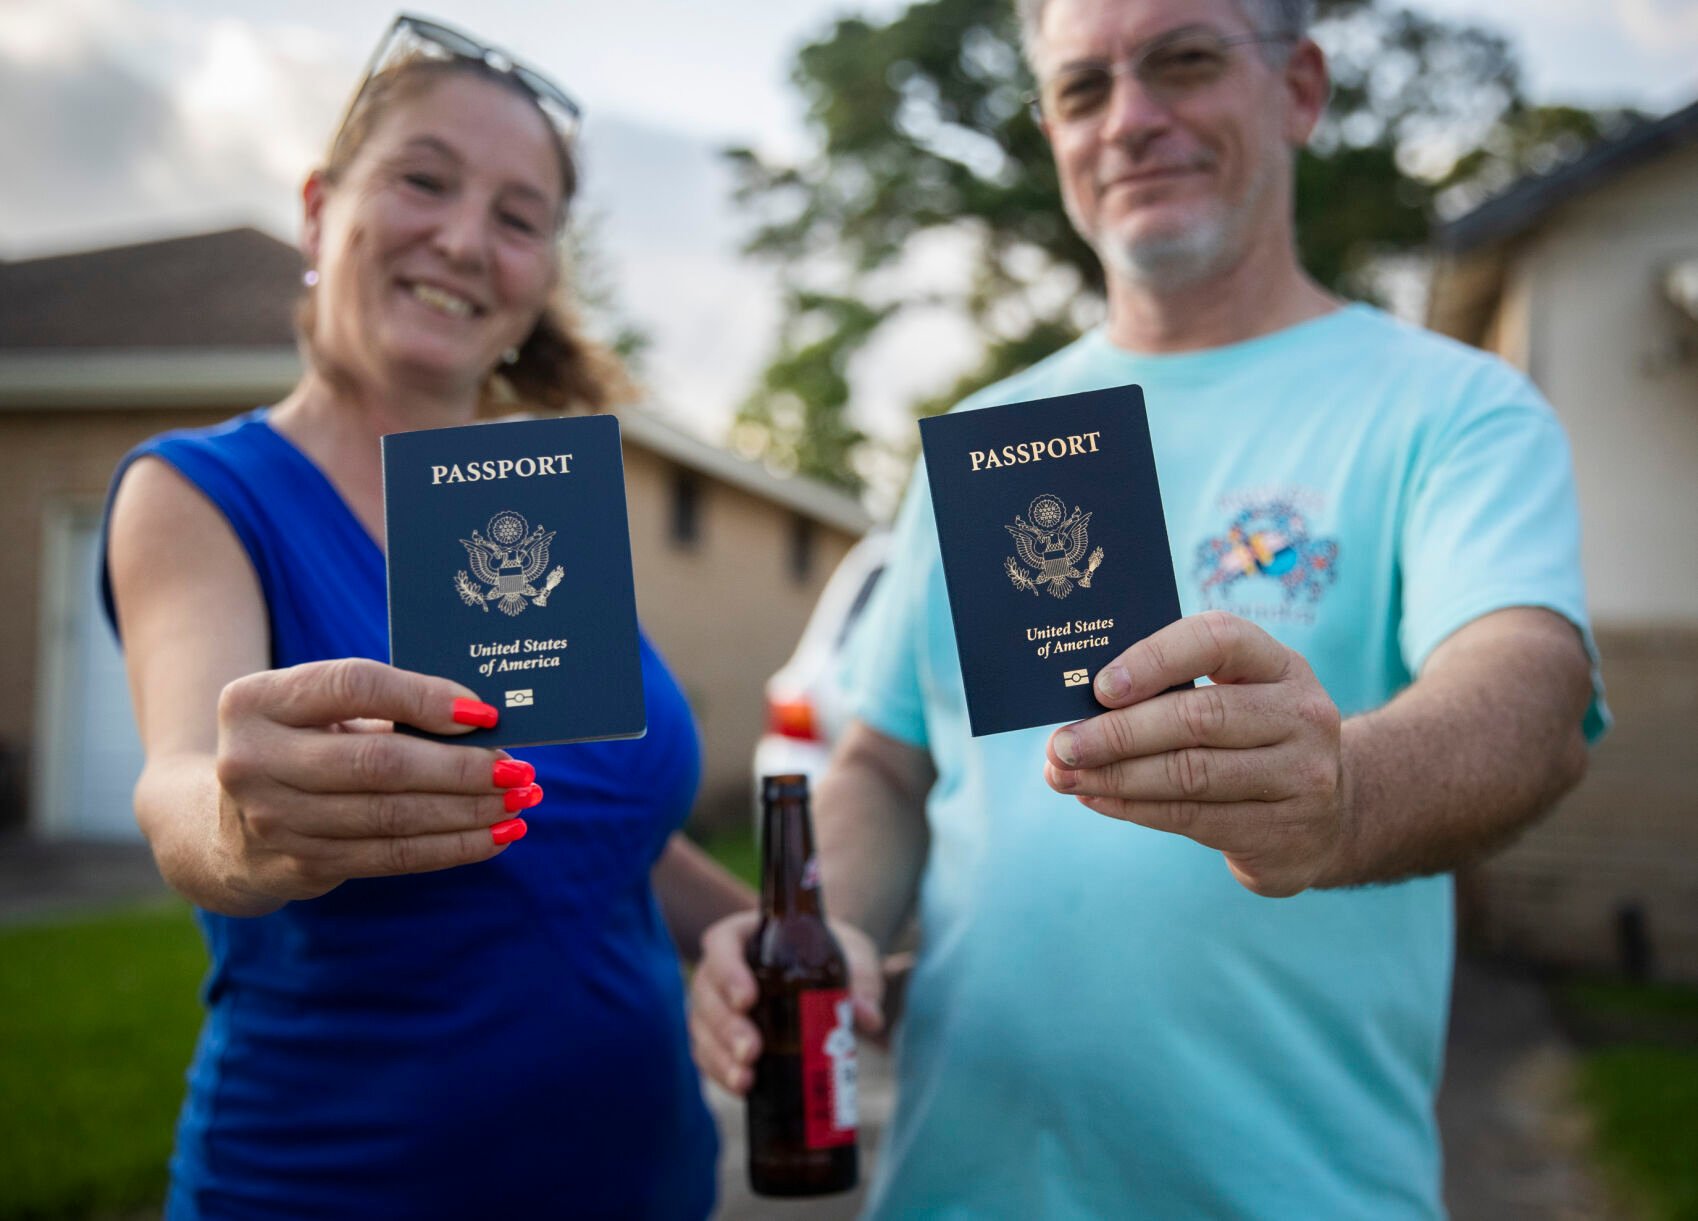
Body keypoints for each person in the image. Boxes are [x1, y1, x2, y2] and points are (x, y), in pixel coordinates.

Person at [689, 0, 1609, 1216]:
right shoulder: (982, 438)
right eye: (1081, 88)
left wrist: (1342, 796)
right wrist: (829, 926)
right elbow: (888, 759)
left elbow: (1530, 695)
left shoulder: (1450, 410)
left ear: (1301, 87)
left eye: (1183, 60)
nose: (1130, 120)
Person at [101, 16, 751, 1219]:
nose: (463, 238)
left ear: (542, 274)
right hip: (332, 1187)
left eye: (517, 217)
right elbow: (184, 785)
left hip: (650, 1185)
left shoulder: (537, 510)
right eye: (424, 179)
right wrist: (241, 826)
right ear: (317, 209)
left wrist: (773, 939)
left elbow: (598, 829)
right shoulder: (198, 492)